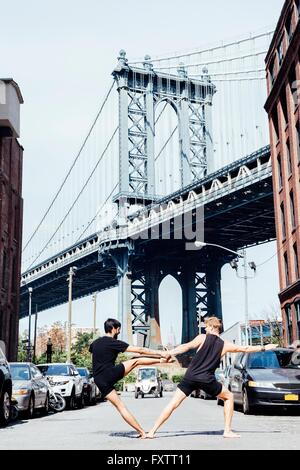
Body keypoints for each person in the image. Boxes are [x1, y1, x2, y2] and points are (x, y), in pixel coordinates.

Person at [146, 317, 278, 440]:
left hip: (190, 376)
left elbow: (185, 347)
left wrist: (169, 352)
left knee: (173, 404)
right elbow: (245, 348)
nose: (205, 329)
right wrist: (264, 347)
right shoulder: (225, 345)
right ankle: (227, 431)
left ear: (212, 327)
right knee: (229, 397)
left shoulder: (201, 338)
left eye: (206, 327)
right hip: (206, 379)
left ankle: (152, 431)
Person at [89, 318, 171, 438]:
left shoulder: (94, 343)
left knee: (121, 407)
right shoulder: (113, 342)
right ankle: (162, 360)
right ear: (113, 329)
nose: (119, 332)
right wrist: (160, 353)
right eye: (118, 330)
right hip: (109, 373)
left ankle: (142, 433)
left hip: (99, 380)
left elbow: (94, 351)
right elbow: (140, 350)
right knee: (136, 361)